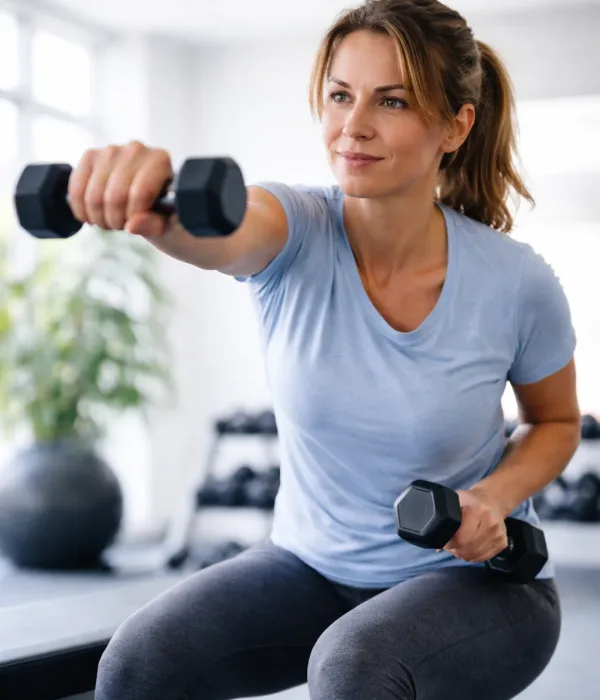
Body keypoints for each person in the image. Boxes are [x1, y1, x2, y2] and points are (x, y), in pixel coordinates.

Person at [72, 1, 581, 699]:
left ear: (455, 126)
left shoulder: (517, 281)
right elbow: (219, 226)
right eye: (340, 96)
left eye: (392, 101)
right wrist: (154, 203)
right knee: (142, 661)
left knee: (355, 668)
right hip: (309, 570)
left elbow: (555, 423)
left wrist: (492, 498)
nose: (354, 126)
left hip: (476, 583)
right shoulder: (295, 230)